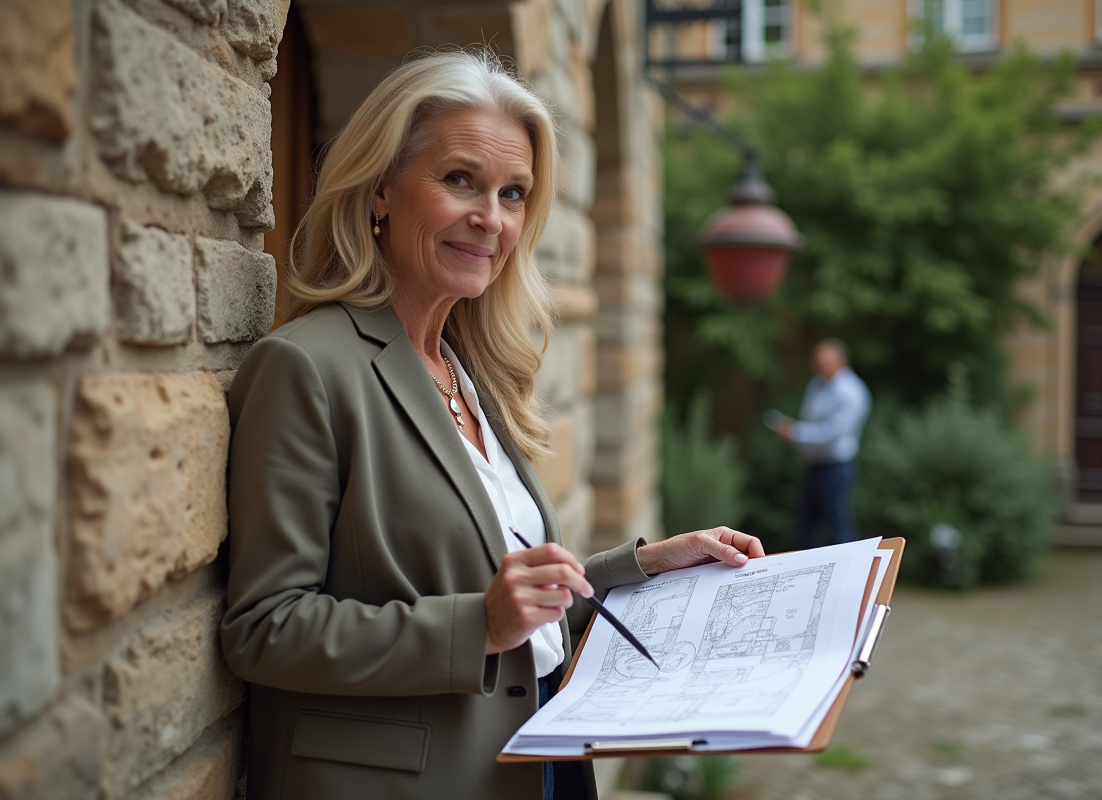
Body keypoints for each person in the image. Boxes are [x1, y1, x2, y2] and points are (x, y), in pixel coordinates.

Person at [219, 50, 764, 800]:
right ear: (380, 190)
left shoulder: (468, 372)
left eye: (514, 194)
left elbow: (517, 608)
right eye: (459, 180)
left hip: (541, 751)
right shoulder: (306, 368)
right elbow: (264, 627)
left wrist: (639, 569)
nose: (491, 218)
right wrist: (474, 626)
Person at [767, 339, 871, 549]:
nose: (817, 365)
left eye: (823, 361)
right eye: (816, 360)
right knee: (804, 526)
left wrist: (794, 432)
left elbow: (831, 433)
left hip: (836, 468)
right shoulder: (816, 384)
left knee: (837, 526)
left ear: (840, 361)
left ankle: (849, 576)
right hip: (814, 466)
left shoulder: (850, 392)